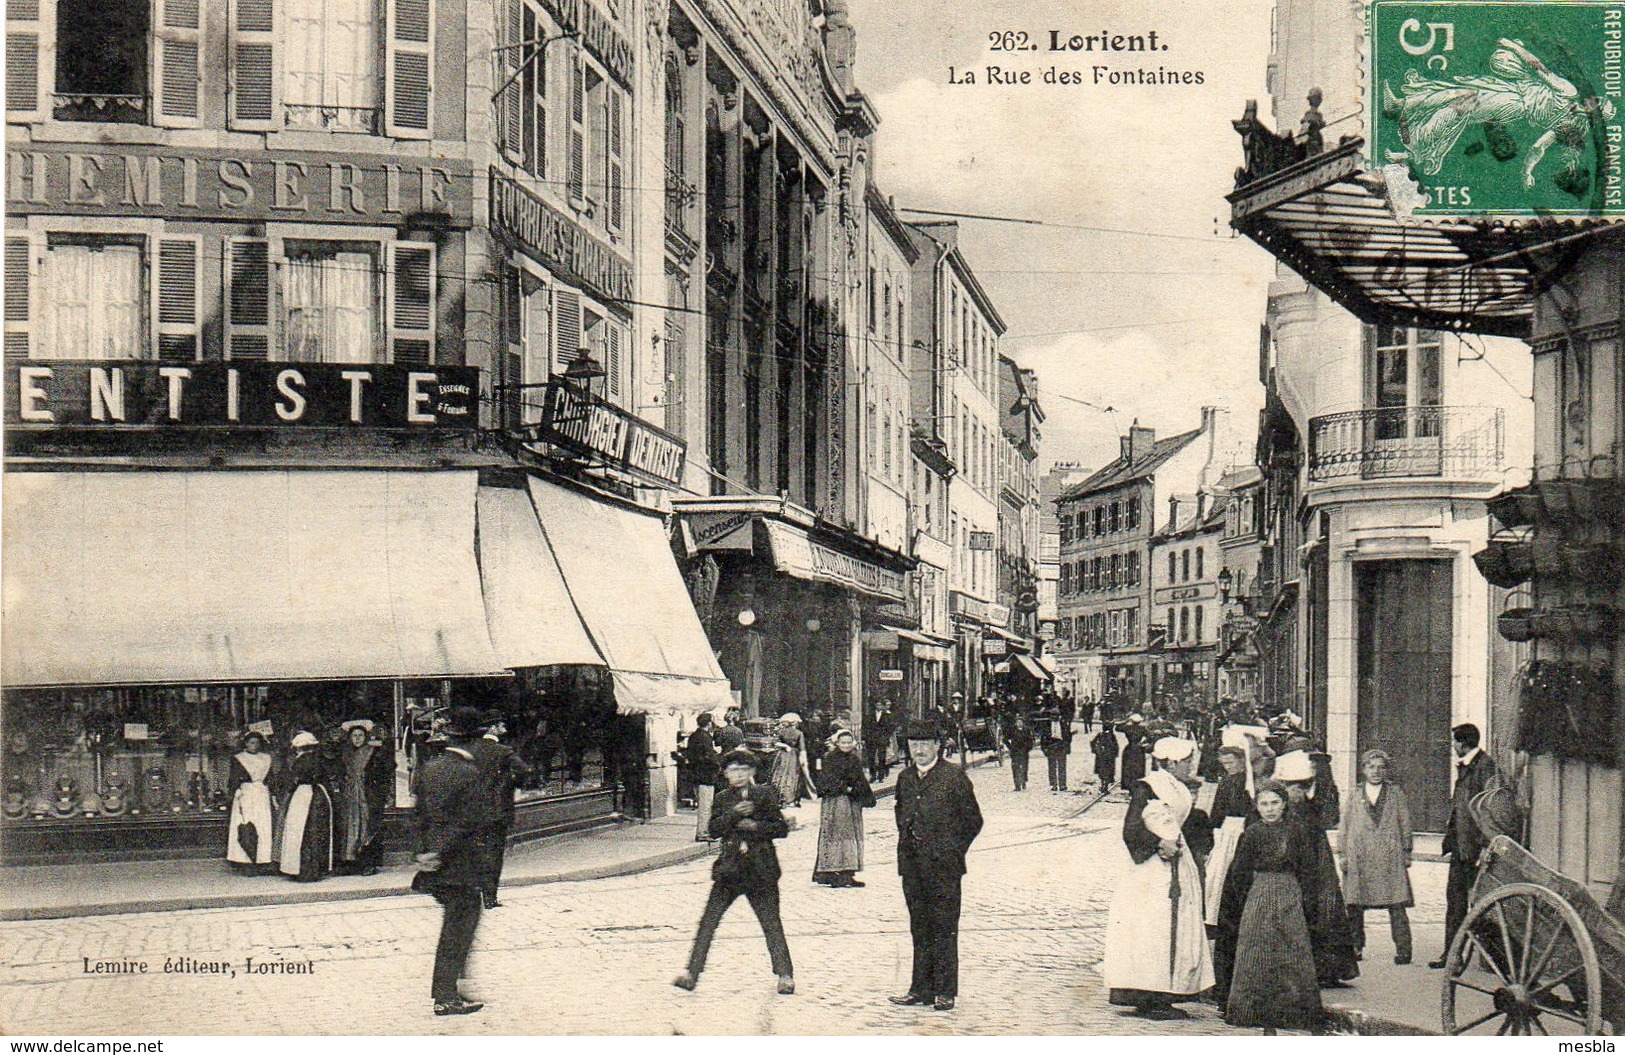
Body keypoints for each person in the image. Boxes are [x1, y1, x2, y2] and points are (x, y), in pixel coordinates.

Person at [1103, 736, 1215, 1020]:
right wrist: (1156, 844)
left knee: (1173, 925)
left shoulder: (1175, 786)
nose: (1191, 765)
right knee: (1153, 927)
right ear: (1173, 762)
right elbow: (1131, 829)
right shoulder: (1149, 787)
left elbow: (1185, 822)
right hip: (1151, 870)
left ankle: (1165, 992)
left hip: (1178, 861)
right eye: (1187, 760)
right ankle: (1148, 993)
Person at [673, 747, 795, 995]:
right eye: (732, 770)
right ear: (726, 774)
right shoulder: (721, 798)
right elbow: (713, 829)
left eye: (743, 769)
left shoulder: (764, 795)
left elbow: (780, 828)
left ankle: (785, 975)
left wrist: (756, 826)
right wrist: (733, 815)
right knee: (709, 921)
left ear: (751, 771)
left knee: (771, 923)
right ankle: (691, 973)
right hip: (730, 870)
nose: (738, 774)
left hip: (760, 869)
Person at [1215, 780, 1325, 1033]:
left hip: (1289, 891)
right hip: (1260, 892)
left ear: (1285, 804)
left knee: (1291, 946)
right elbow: (1240, 871)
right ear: (1256, 806)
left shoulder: (1297, 831)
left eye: (1275, 803)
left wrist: (1305, 897)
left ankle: (1294, 1011)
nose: (1270, 809)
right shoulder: (1252, 833)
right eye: (1264, 804)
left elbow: (1308, 868)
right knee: (1257, 947)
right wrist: (1249, 896)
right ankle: (1252, 1009)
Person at [889, 720, 983, 1012]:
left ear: (937, 747)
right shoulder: (905, 778)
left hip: (944, 868)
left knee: (944, 928)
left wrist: (950, 851)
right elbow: (900, 814)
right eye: (913, 744)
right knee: (919, 927)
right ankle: (920, 989)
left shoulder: (953, 777)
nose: (918, 750)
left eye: (925, 744)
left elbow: (973, 821)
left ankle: (945, 991)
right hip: (912, 867)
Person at [413, 707, 501, 1016]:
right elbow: (470, 823)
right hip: (460, 865)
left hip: (436, 865)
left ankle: (453, 989)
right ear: (473, 741)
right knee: (458, 929)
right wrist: (441, 852)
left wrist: (424, 853)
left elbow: (420, 816)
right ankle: (446, 996)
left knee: (454, 926)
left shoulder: (429, 769)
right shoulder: (471, 774)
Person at [1276, 750, 1360, 986]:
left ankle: (1326, 969)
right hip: (1306, 860)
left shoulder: (1310, 799)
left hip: (1315, 860)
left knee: (1323, 911)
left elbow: (1328, 816)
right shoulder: (1296, 802)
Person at [1431, 723, 1500, 969]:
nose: (1453, 746)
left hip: (1474, 849)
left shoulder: (1484, 766)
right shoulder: (1469, 766)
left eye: (1454, 742)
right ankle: (1452, 956)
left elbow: (1490, 809)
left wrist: (1484, 845)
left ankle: (1493, 960)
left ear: (1462, 743)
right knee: (1456, 902)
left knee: (1482, 904)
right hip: (1461, 846)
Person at [1342, 749, 1415, 966]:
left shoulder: (1395, 793)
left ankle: (1404, 949)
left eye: (1380, 767)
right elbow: (1345, 825)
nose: (1376, 771)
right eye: (1371, 767)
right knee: (1354, 904)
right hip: (1360, 855)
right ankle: (1356, 947)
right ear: (1363, 769)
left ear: (1386, 770)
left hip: (1389, 855)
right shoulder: (1355, 794)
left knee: (1397, 903)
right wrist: (1343, 853)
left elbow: (1405, 823)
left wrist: (1407, 850)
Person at [467, 711, 531, 908]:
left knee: (476, 852)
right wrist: (510, 784)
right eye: (500, 724)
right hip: (497, 811)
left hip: (474, 811)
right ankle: (490, 897)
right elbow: (524, 770)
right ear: (492, 728)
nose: (504, 726)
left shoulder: (472, 750)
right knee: (494, 854)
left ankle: (474, 894)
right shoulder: (503, 751)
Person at [813, 728, 876, 887]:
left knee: (852, 834)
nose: (846, 745)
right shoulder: (829, 758)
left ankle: (848, 872)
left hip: (852, 801)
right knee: (837, 833)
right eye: (843, 742)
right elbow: (827, 779)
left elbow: (860, 778)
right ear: (837, 743)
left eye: (849, 742)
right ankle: (832, 872)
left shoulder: (854, 759)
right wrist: (845, 788)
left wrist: (864, 795)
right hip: (836, 801)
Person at [1203, 743, 1254, 927]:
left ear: (1241, 760)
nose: (1228, 767)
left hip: (1245, 826)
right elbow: (1218, 809)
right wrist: (1212, 832)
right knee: (1221, 869)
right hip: (1229, 828)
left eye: (1231, 762)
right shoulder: (1225, 782)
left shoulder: (1250, 781)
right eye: (1225, 764)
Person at [337, 721, 392, 876]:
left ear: (366, 736)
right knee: (350, 827)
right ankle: (351, 862)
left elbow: (383, 774)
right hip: (349, 795)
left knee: (367, 827)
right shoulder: (346, 753)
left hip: (367, 795)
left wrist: (381, 792)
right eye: (354, 736)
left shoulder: (373, 752)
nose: (357, 739)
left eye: (360, 735)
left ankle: (368, 863)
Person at [278, 731, 334, 882]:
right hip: (318, 794)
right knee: (313, 831)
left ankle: (302, 869)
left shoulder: (300, 761)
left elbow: (293, 780)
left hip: (303, 795)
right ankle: (314, 868)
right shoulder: (320, 760)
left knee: (300, 831)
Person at [226, 731, 277, 873]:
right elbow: (234, 777)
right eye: (251, 742)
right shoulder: (239, 758)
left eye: (257, 743)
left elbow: (270, 778)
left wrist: (273, 794)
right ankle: (245, 859)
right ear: (246, 743)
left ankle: (263, 859)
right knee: (245, 822)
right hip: (246, 793)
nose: (254, 746)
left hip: (261, 792)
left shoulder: (266, 758)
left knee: (263, 824)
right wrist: (235, 791)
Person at [686, 712, 721, 844]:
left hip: (696, 774)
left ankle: (703, 831)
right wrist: (718, 764)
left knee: (703, 804)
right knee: (706, 805)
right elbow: (709, 757)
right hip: (706, 775)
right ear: (709, 723)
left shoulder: (694, 736)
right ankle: (703, 832)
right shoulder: (706, 738)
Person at [769, 712, 815, 808]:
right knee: (793, 775)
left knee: (780, 774)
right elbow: (802, 748)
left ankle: (780, 798)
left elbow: (774, 742)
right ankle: (790, 800)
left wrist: (784, 745)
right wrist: (804, 760)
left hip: (782, 755)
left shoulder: (781, 732)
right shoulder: (799, 733)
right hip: (794, 755)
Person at [1037, 706, 1071, 792]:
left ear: (1059, 716)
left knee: (1062, 766)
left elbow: (1068, 736)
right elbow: (1043, 737)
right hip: (1051, 746)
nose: (1054, 718)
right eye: (1052, 716)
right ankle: (1053, 784)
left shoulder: (1064, 724)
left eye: (1056, 716)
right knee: (1052, 766)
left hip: (1061, 746)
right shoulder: (1046, 725)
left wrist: (1066, 746)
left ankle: (1062, 784)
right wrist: (1044, 748)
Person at [1003, 714, 1034, 791]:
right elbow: (1005, 739)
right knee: (1015, 768)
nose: (1019, 723)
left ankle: (1023, 781)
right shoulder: (1012, 730)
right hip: (1015, 751)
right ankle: (1017, 785)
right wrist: (1010, 747)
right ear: (1015, 723)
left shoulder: (1027, 730)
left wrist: (1028, 748)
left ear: (1023, 723)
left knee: (1024, 767)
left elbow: (1031, 740)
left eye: (1020, 722)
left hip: (1024, 751)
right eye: (1017, 722)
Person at [1118, 716, 1147, 791]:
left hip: (1129, 748)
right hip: (1139, 749)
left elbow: (1117, 728)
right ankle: (1137, 785)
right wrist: (1143, 743)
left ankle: (1128, 785)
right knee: (1138, 767)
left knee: (1128, 767)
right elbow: (1150, 736)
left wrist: (1125, 721)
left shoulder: (1127, 727)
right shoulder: (1142, 728)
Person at [1090, 722, 1120, 790]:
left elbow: (1092, 742)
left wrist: (1095, 751)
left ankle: (1103, 784)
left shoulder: (1100, 734)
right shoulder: (1112, 736)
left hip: (1101, 756)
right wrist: (1115, 754)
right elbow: (1116, 746)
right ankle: (1105, 784)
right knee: (1108, 770)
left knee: (1101, 770)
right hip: (1109, 756)